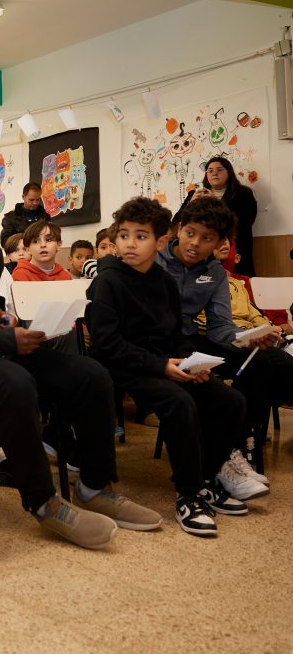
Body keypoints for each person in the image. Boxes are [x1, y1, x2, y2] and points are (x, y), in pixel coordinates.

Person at [0, 180, 161, 550]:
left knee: (91, 375)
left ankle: (94, 486)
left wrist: (0, 316)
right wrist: (2, 340)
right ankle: (43, 502)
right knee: (14, 381)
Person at [86, 197, 252, 535]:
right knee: (179, 402)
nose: (130, 244)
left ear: (161, 241)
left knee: (230, 401)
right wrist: (161, 366)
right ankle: (188, 495)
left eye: (141, 236)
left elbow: (176, 334)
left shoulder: (163, 282)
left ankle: (205, 480)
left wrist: (192, 363)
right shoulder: (108, 281)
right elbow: (108, 344)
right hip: (119, 365)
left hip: (161, 362)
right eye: (124, 235)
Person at [157, 196, 292, 477]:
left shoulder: (216, 272)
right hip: (161, 343)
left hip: (192, 338)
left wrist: (248, 338)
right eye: (190, 233)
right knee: (202, 379)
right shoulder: (155, 261)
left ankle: (242, 441)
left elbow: (220, 326)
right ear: (179, 229)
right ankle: (215, 448)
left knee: (261, 362)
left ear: (219, 243)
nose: (195, 243)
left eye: (206, 238)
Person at [203, 156, 257, 276]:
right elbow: (179, 220)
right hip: (207, 252)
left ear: (229, 172)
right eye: (210, 171)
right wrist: (192, 202)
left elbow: (245, 221)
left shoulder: (243, 193)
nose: (214, 173)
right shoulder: (197, 194)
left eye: (219, 169)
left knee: (240, 284)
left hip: (237, 250)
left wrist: (216, 203)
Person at [0, 182, 50, 247]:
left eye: (37, 200)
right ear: (23, 197)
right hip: (20, 252)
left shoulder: (45, 217)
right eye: (31, 200)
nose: (35, 203)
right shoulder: (10, 218)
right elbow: (5, 242)